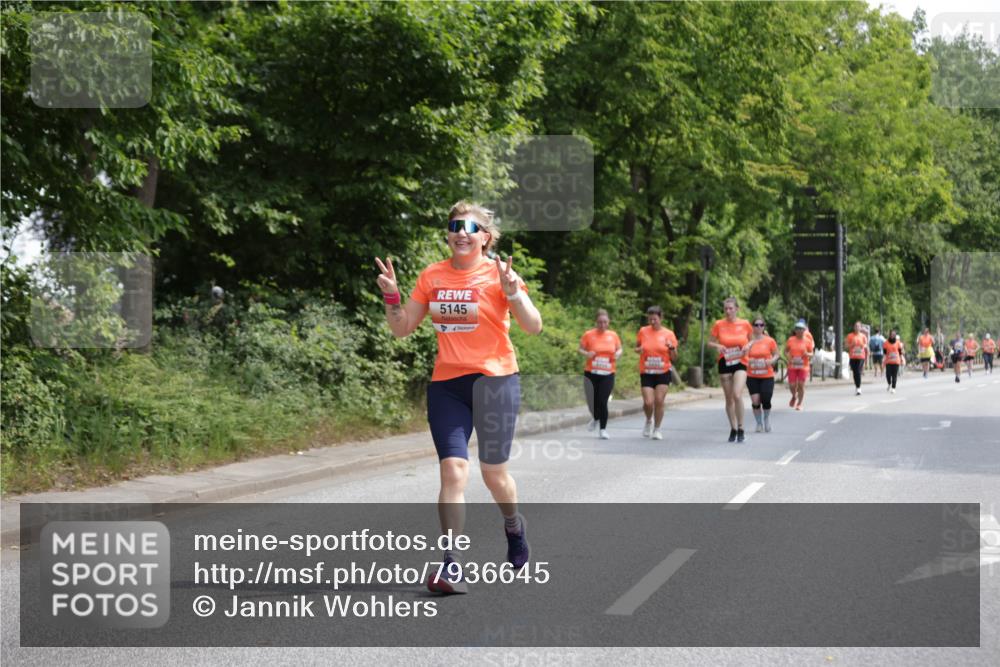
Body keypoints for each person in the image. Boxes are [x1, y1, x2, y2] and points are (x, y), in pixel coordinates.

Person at [375, 200, 543, 595]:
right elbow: (402, 329)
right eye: (455, 225)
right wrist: (392, 297)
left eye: (470, 226)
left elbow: (533, 327)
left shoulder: (500, 274)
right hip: (447, 385)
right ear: (449, 234)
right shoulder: (432, 276)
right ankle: (452, 564)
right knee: (453, 471)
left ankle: (514, 526)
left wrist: (513, 293)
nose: (461, 232)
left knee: (493, 475)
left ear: (485, 237)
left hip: (496, 382)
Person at [708, 297, 753, 442]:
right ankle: (733, 428)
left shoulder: (745, 324)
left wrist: (748, 345)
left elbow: (753, 339)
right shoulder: (718, 324)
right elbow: (709, 342)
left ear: (737, 309)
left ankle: (741, 428)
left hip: (740, 361)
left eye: (731, 308)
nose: (728, 311)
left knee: (737, 394)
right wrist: (718, 346)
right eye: (726, 309)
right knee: (728, 399)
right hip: (725, 362)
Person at [635, 305, 678, 441]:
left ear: (661, 318)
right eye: (650, 319)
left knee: (659, 401)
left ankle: (657, 429)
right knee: (648, 402)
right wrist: (638, 350)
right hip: (646, 371)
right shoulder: (643, 331)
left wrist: (672, 348)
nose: (652, 322)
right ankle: (648, 420)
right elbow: (637, 347)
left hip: (663, 371)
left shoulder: (669, 334)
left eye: (655, 319)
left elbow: (675, 357)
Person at [579, 309, 622, 440]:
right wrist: (587, 354)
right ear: (596, 322)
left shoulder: (613, 335)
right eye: (599, 322)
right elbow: (580, 348)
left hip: (608, 373)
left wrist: (618, 354)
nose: (602, 325)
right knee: (591, 401)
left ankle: (603, 429)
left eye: (605, 322)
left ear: (608, 322)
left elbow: (619, 348)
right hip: (591, 372)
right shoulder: (588, 334)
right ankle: (596, 418)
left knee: (602, 401)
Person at [746, 317, 780, 432]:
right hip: (752, 375)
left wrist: (771, 361)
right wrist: (749, 360)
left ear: (764, 327)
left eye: (761, 325)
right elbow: (743, 355)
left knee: (766, 399)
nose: (759, 327)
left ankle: (766, 419)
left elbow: (776, 354)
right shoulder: (748, 341)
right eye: (756, 325)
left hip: (767, 376)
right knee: (755, 401)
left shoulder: (769, 341)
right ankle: (759, 423)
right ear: (753, 327)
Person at [785, 319, 815, 410]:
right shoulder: (791, 340)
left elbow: (812, 353)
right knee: (792, 385)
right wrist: (788, 357)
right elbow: (786, 351)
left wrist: (807, 354)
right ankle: (794, 396)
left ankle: (799, 404)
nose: (799, 330)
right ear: (795, 330)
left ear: (804, 330)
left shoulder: (808, 341)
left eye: (801, 329)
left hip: (804, 366)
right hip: (792, 366)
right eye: (797, 329)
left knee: (801, 385)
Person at [845, 321, 868, 395]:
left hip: (861, 356)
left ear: (861, 328)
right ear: (854, 327)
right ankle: (857, 386)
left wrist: (863, 346)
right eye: (856, 326)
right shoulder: (850, 336)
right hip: (853, 356)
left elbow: (866, 346)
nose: (857, 328)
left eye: (858, 326)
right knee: (855, 373)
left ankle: (859, 388)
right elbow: (846, 346)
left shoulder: (863, 336)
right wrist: (852, 344)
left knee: (858, 371)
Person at [883, 328, 904, 393]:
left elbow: (900, 352)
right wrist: (883, 360)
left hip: (896, 361)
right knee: (888, 374)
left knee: (894, 375)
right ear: (889, 335)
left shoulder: (898, 343)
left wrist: (901, 358)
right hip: (888, 361)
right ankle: (889, 383)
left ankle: (893, 388)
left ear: (895, 335)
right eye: (891, 334)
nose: (892, 335)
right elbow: (885, 353)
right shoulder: (886, 343)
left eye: (894, 334)